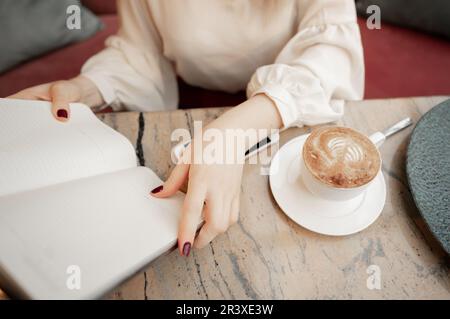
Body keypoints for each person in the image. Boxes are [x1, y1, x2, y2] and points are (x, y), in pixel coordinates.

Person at [9, 0, 364, 257]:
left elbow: (330, 55)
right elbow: (140, 53)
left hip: (285, 115)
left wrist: (235, 129)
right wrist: (84, 88)